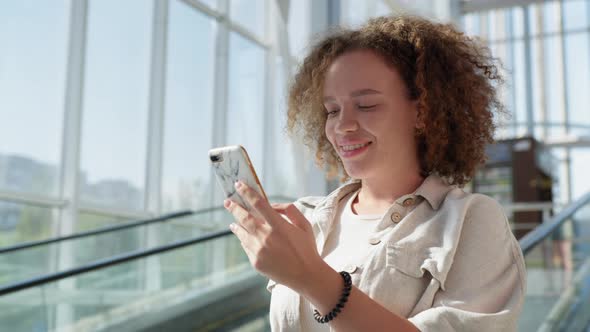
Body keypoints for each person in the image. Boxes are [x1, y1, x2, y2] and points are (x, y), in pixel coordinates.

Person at [224, 15, 526, 332]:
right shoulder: (306, 219)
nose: (342, 126)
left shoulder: (470, 220)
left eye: (366, 105)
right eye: (332, 110)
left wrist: (311, 277)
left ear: (422, 112)